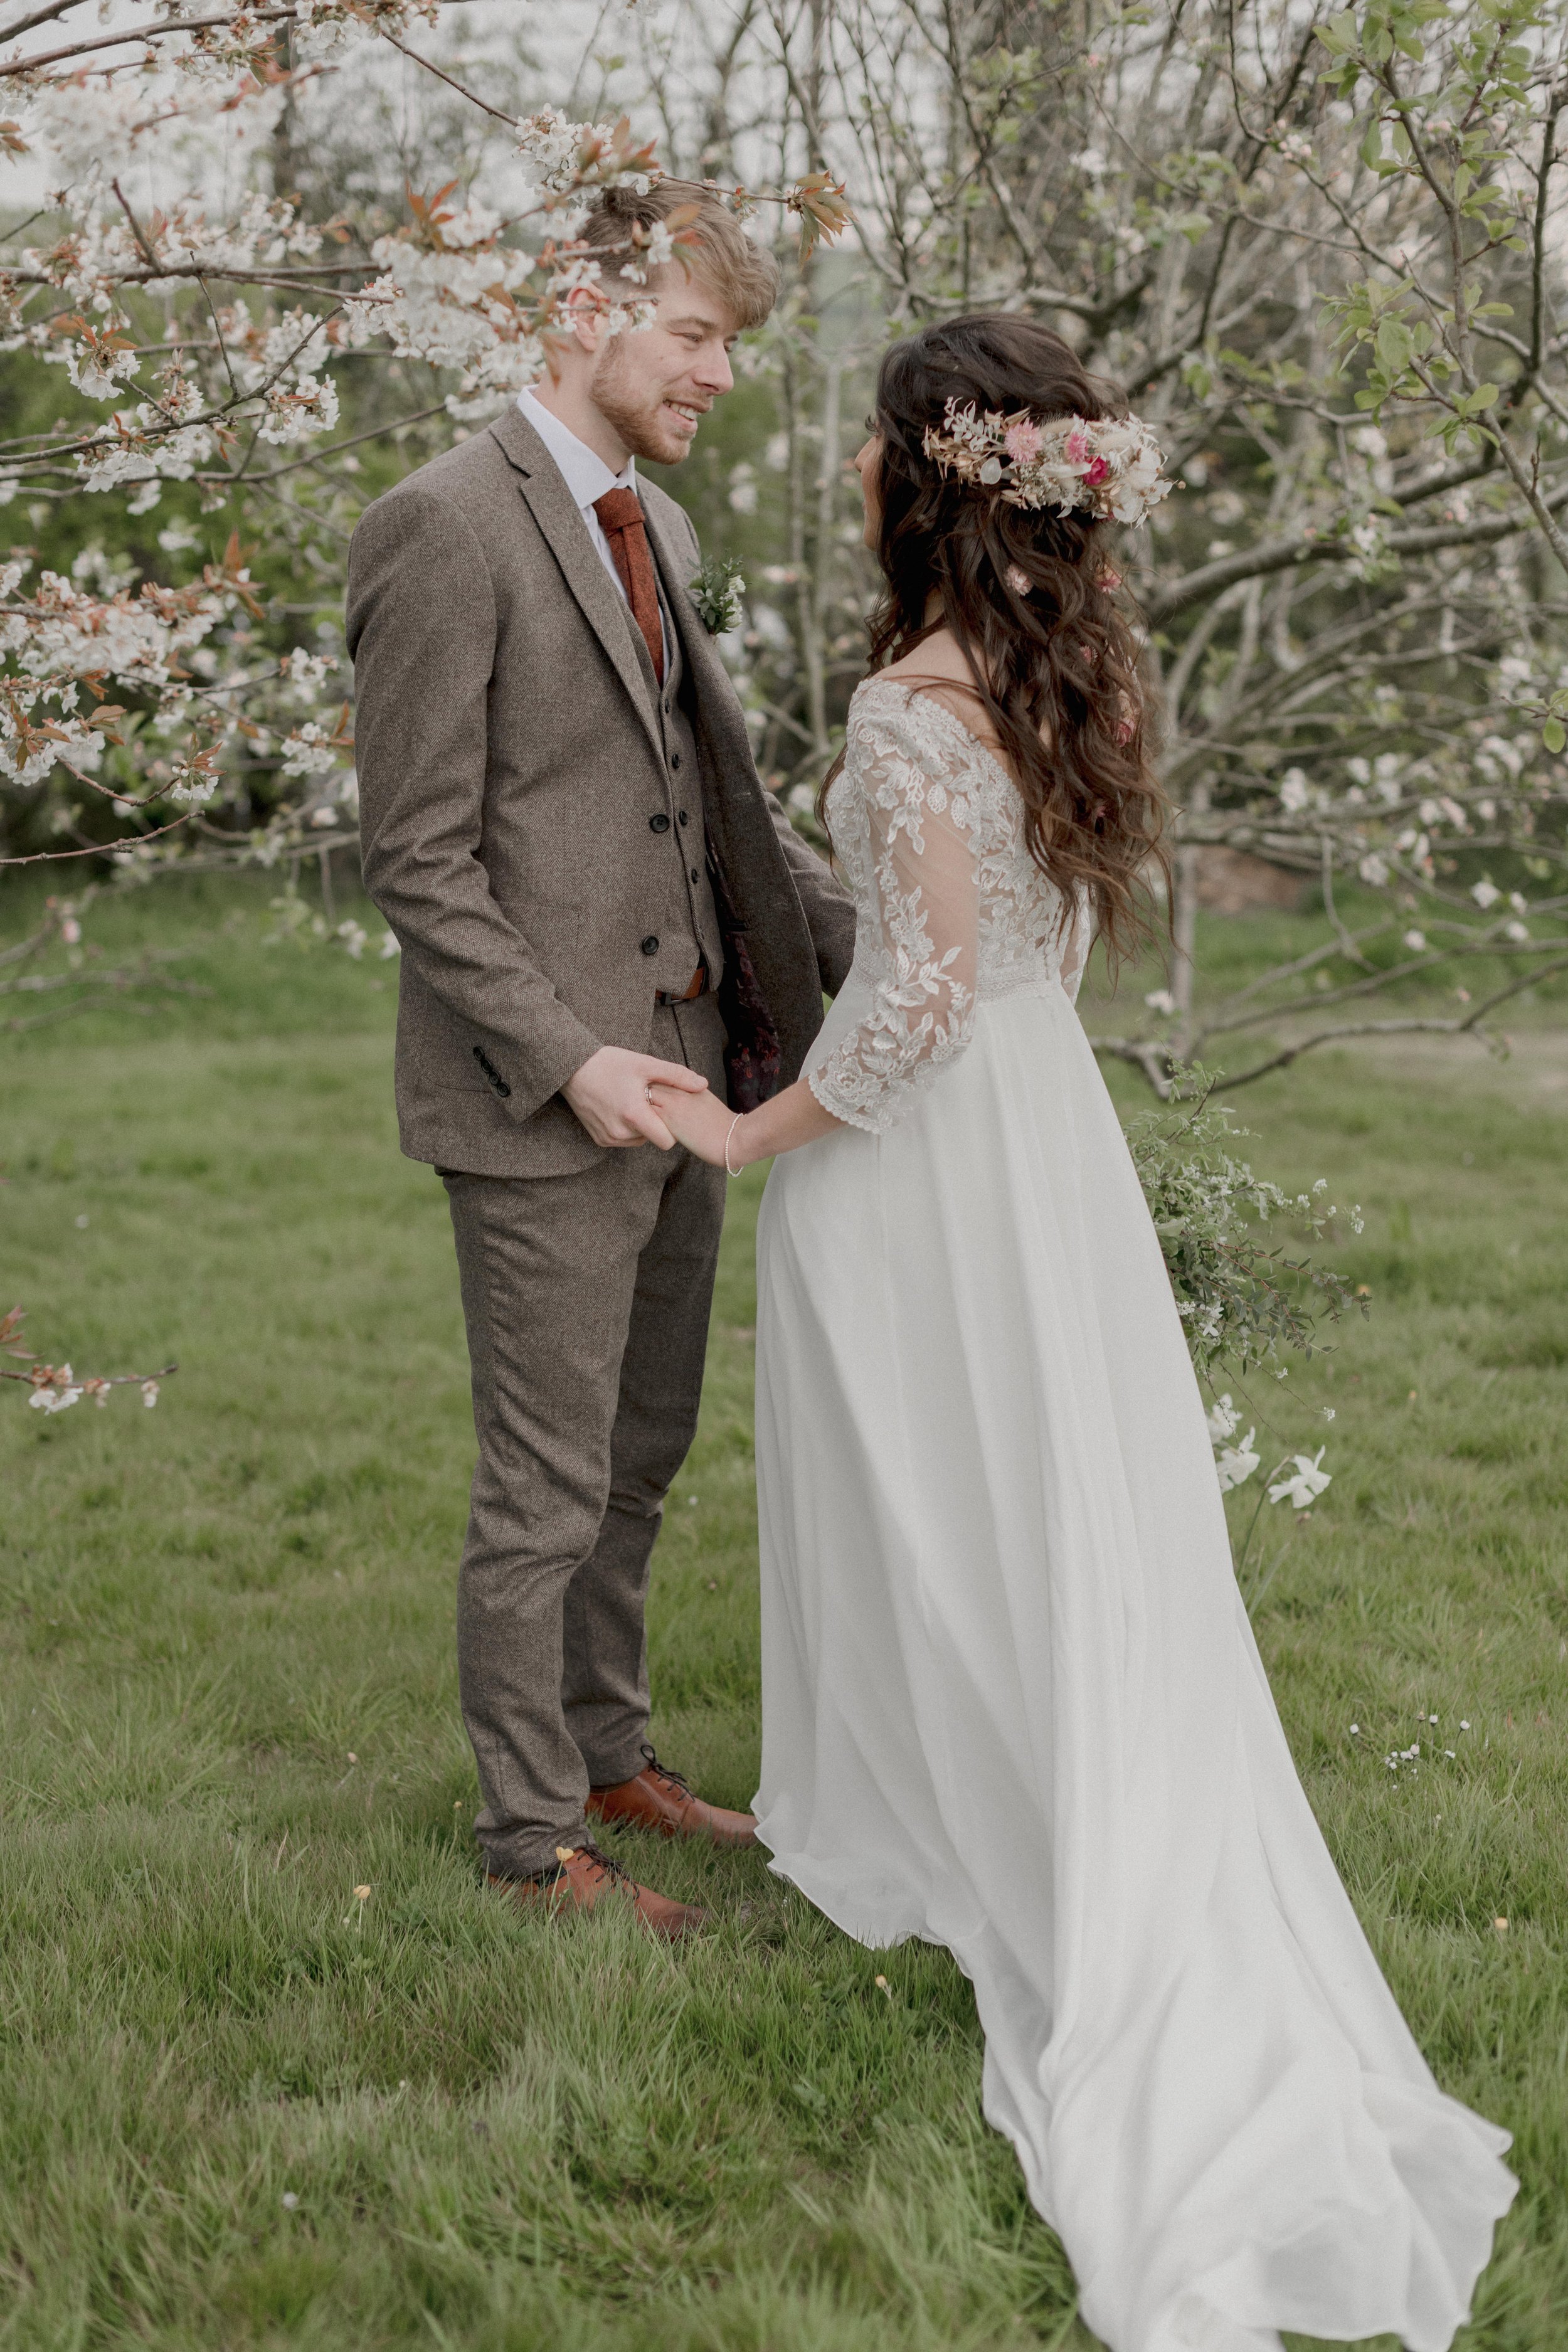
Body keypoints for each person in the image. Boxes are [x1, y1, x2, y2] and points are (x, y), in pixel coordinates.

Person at [651, 314, 1516, 2350]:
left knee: (942, 1489)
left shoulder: (900, 713)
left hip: (931, 1154)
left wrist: (747, 1128)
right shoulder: (1055, 671)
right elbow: (991, 970)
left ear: (913, 479)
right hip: (1042, 1140)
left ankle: (946, 1817)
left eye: (870, 450)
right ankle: (964, 1790)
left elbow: (922, 994)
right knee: (1025, 1490)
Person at [346, 181, 855, 1941]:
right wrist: (569, 1060)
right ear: (581, 305)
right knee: (545, 1482)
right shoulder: (439, 526)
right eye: (695, 333)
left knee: (642, 1449)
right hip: (543, 1095)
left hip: (692, 1073)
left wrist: (932, 963)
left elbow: (713, 813)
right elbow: (416, 856)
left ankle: (610, 1753)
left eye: (729, 343)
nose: (718, 373)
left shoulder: (669, 532)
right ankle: (523, 1839)